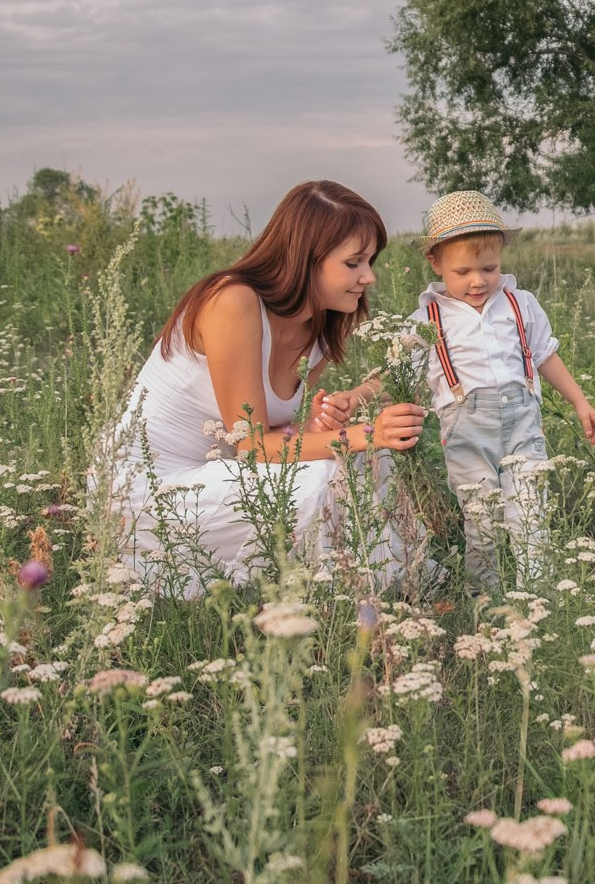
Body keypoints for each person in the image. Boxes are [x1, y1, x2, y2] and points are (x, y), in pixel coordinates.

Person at [103, 180, 427, 594]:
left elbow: (276, 436)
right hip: (149, 488)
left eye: (370, 261)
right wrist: (369, 433)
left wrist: (324, 422)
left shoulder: (320, 328)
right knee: (328, 474)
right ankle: (336, 600)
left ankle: (377, 596)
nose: (369, 277)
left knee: (361, 463)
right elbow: (251, 446)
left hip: (222, 474)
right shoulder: (233, 302)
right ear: (306, 259)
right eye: (353, 263)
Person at [415, 191, 595, 592]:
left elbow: (544, 355)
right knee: (481, 516)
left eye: (490, 268)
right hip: (466, 427)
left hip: (522, 419)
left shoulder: (520, 303)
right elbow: (400, 373)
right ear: (435, 262)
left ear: (502, 255)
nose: (478, 281)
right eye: (463, 271)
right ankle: (484, 597)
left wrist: (580, 402)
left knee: (530, 510)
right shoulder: (427, 318)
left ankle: (536, 596)